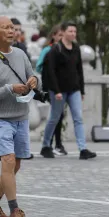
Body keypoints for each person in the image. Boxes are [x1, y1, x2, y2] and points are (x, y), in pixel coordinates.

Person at [0, 15, 42, 217]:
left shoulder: (21, 54)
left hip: (21, 117)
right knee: (8, 161)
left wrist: (34, 81)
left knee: (15, 165)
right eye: (5, 28)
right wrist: (9, 89)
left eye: (12, 27)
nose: (11, 31)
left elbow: (32, 77)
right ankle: (15, 211)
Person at [40, 22, 96, 159]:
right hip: (59, 91)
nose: (73, 34)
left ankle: (83, 149)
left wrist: (81, 90)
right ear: (63, 32)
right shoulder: (55, 49)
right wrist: (56, 90)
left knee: (78, 118)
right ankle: (46, 146)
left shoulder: (76, 48)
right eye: (70, 31)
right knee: (54, 117)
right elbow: (51, 72)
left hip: (74, 89)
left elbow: (79, 71)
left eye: (74, 32)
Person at [36, 24, 67, 156]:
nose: (61, 38)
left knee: (59, 114)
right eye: (59, 35)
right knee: (56, 115)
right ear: (53, 36)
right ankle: (53, 143)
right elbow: (38, 66)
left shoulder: (65, 49)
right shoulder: (47, 50)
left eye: (63, 35)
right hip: (51, 86)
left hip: (63, 86)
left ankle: (57, 143)